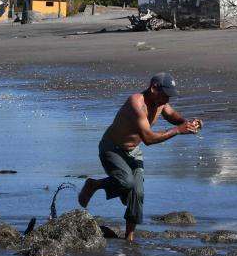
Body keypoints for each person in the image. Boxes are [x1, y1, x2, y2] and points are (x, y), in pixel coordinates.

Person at [78, 72, 202, 241]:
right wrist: (178, 131)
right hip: (112, 148)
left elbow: (172, 115)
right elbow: (149, 139)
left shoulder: (161, 102)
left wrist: (186, 122)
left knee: (138, 192)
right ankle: (95, 184)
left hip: (133, 151)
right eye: (166, 95)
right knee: (126, 182)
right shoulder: (136, 103)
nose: (167, 100)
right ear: (153, 89)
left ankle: (129, 238)